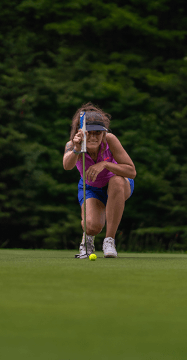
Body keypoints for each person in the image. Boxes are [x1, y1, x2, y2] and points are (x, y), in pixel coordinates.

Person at [62, 103, 136, 259]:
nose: (94, 137)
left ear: (104, 133)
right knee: (92, 227)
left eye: (98, 133)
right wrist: (76, 148)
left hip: (120, 185)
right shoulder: (73, 145)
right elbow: (67, 166)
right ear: (80, 132)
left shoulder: (110, 140)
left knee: (116, 181)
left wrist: (106, 164)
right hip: (91, 188)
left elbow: (131, 171)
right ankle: (87, 240)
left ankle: (109, 241)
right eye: (90, 133)